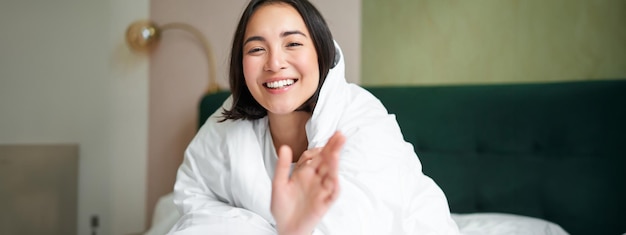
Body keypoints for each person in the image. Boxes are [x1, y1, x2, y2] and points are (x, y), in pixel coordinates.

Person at [169, 0, 459, 234]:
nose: (274, 63)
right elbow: (192, 193)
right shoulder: (227, 123)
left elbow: (361, 224)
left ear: (322, 52)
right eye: (257, 49)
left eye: (292, 44)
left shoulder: (363, 124)